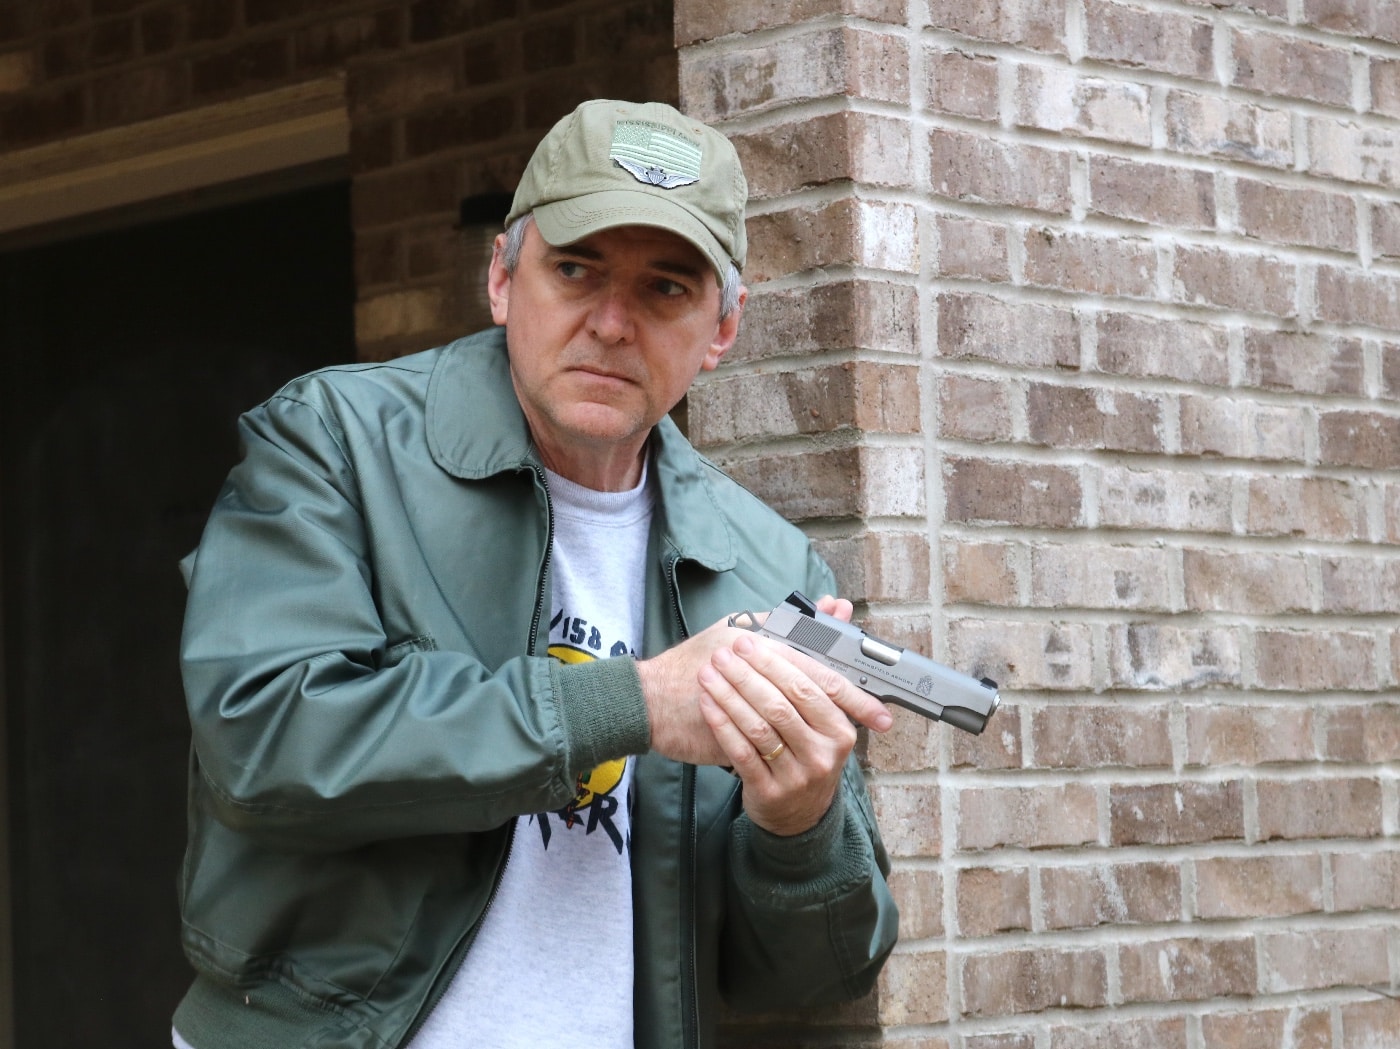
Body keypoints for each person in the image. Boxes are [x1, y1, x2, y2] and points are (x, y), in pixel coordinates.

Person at [171, 98, 899, 1049]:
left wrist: (800, 823)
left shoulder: (765, 565)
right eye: (575, 268)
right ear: (503, 279)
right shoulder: (333, 443)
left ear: (722, 330)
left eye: (665, 289)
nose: (610, 322)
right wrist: (633, 704)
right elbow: (268, 736)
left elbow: (811, 975)